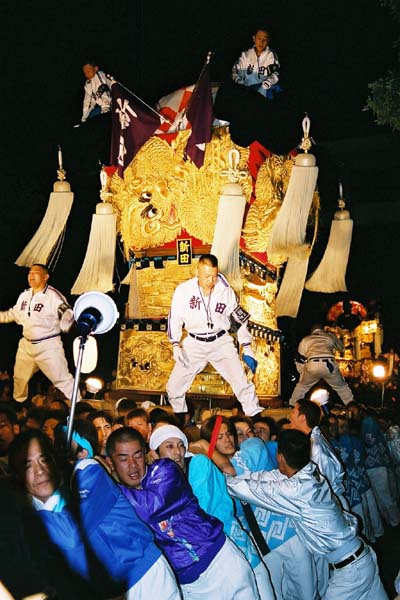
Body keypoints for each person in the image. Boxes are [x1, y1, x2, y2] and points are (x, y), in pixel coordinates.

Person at [226, 429, 389, 600]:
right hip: (361, 557)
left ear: (280, 458)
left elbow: (248, 490)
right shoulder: (310, 471)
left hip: (351, 571)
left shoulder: (297, 490)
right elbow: (268, 477)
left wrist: (220, 472)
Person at [106, 426, 262, 599]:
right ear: (110, 463)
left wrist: (106, 484)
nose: (133, 465)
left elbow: (151, 508)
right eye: (123, 459)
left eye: (137, 455)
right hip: (187, 584)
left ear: (146, 454)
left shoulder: (165, 469)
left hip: (219, 562)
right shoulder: (115, 503)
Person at [166, 254, 262, 422]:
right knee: (174, 387)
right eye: (207, 276)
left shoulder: (225, 291)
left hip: (220, 342)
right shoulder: (183, 291)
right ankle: (181, 419)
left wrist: (246, 347)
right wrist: (175, 344)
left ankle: (256, 418)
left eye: (214, 276)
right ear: (197, 271)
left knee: (241, 382)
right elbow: (174, 318)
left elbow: (239, 320)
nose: (211, 280)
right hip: (194, 343)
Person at [0, 264, 78, 405]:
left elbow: (67, 312)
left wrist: (66, 324)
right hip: (26, 345)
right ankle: (19, 406)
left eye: (35, 272)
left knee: (61, 379)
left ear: (45, 277)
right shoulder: (24, 295)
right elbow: (13, 314)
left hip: (48, 345)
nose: (31, 275)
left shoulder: (53, 296)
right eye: (30, 273)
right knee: (19, 378)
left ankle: (78, 405)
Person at [289, 324, 354, 407]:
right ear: (323, 329)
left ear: (311, 331)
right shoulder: (329, 336)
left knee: (302, 387)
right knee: (342, 388)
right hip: (329, 364)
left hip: (313, 364)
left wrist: (302, 372)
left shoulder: (306, 339)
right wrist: (340, 337)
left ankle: (293, 405)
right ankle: (352, 406)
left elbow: (299, 359)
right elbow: (341, 348)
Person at [232, 27, 281, 100]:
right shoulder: (245, 55)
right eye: (259, 39)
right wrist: (242, 84)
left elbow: (275, 74)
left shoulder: (271, 55)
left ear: (268, 41)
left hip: (264, 89)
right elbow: (235, 73)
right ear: (254, 38)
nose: (261, 42)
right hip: (246, 89)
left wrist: (264, 86)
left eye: (265, 39)